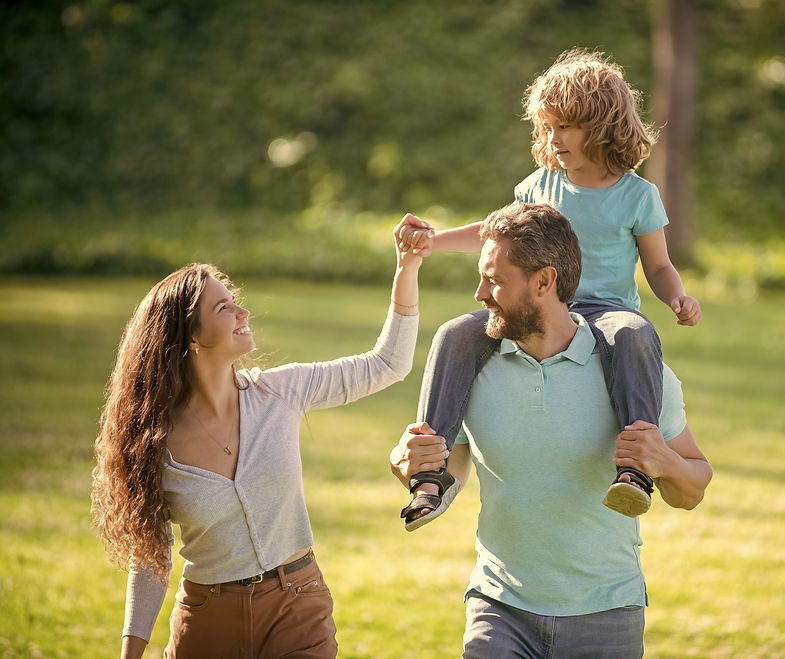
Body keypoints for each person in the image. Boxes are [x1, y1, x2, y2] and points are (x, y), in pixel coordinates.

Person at [91, 217, 426, 658]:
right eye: (223, 308)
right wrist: (130, 653)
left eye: (235, 302)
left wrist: (406, 268)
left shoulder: (280, 392)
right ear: (190, 337)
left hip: (297, 605)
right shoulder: (154, 442)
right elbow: (151, 560)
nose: (243, 313)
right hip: (207, 618)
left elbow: (388, 364)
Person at [390, 202, 712, 658]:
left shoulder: (635, 369)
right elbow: (453, 470)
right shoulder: (472, 366)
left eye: (495, 280)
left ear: (544, 282)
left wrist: (666, 462)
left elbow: (692, 490)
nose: (479, 293)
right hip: (498, 608)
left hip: (607, 613)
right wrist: (406, 461)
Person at [396, 49, 701, 528]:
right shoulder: (540, 186)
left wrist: (677, 297)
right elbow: (492, 233)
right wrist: (434, 240)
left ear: (602, 125)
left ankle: (635, 472)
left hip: (605, 310)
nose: (553, 139)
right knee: (455, 333)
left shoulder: (637, 195)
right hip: (535, 302)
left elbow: (659, 265)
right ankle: (430, 473)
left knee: (634, 334)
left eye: (566, 127)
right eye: (549, 127)